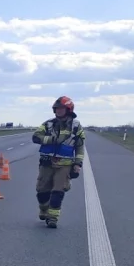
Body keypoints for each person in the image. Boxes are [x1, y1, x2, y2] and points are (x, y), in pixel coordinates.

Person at [32, 96, 85, 228]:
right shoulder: (48, 124)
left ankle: (53, 218)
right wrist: (52, 140)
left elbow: (79, 146)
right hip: (46, 163)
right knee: (42, 191)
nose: (58, 111)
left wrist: (78, 163)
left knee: (58, 191)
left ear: (68, 110)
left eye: (61, 109)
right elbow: (36, 137)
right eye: (56, 109)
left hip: (65, 165)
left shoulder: (76, 126)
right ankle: (44, 209)